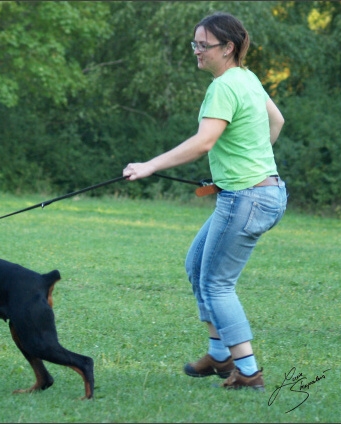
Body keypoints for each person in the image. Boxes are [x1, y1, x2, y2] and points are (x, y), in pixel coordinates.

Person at [123, 11, 287, 390]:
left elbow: (203, 142)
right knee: (197, 264)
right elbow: (275, 122)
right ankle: (218, 353)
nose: (196, 51)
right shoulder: (246, 78)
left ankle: (248, 373)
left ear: (227, 48)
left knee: (216, 284)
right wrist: (249, 160)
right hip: (263, 192)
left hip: (246, 199)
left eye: (203, 45)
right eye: (194, 43)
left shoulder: (225, 85)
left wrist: (149, 165)